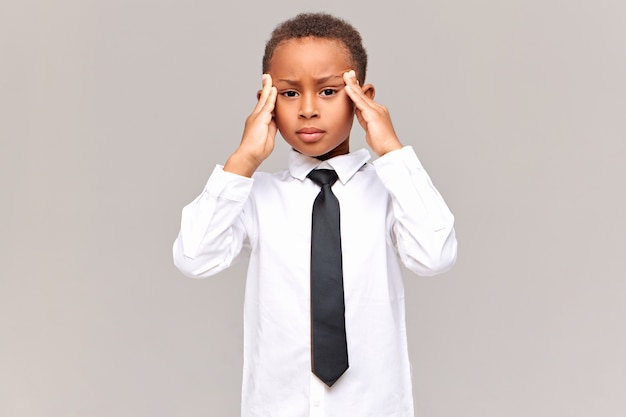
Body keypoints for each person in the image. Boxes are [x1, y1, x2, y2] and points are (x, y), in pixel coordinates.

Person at [173, 12, 457, 417]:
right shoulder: (256, 196)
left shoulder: (389, 189)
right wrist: (243, 159)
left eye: (327, 92)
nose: (307, 109)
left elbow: (435, 255)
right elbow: (194, 257)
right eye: (289, 94)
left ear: (362, 95)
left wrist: (392, 151)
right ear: (265, 103)